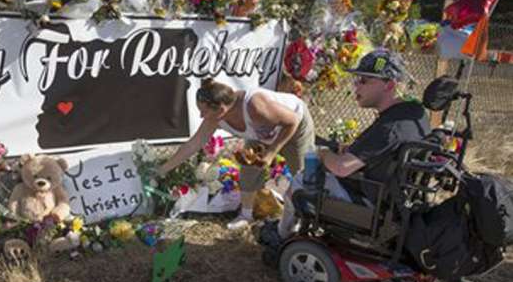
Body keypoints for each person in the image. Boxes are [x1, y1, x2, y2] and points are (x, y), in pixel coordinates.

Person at [277, 48, 431, 238]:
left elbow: (342, 168)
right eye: (357, 80)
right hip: (397, 199)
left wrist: (322, 153)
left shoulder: (389, 128)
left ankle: (283, 237)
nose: (356, 87)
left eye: (364, 81)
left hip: (374, 206)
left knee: (300, 180)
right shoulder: (415, 113)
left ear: (389, 85)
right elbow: (383, 151)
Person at [158, 77, 315, 230]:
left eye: (204, 112)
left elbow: (292, 121)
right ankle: (246, 216)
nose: (201, 116)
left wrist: (272, 152)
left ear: (221, 110)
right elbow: (193, 144)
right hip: (261, 133)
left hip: (294, 127)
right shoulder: (215, 117)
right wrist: (163, 169)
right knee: (248, 170)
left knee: (302, 176)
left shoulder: (255, 106)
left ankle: (300, 218)